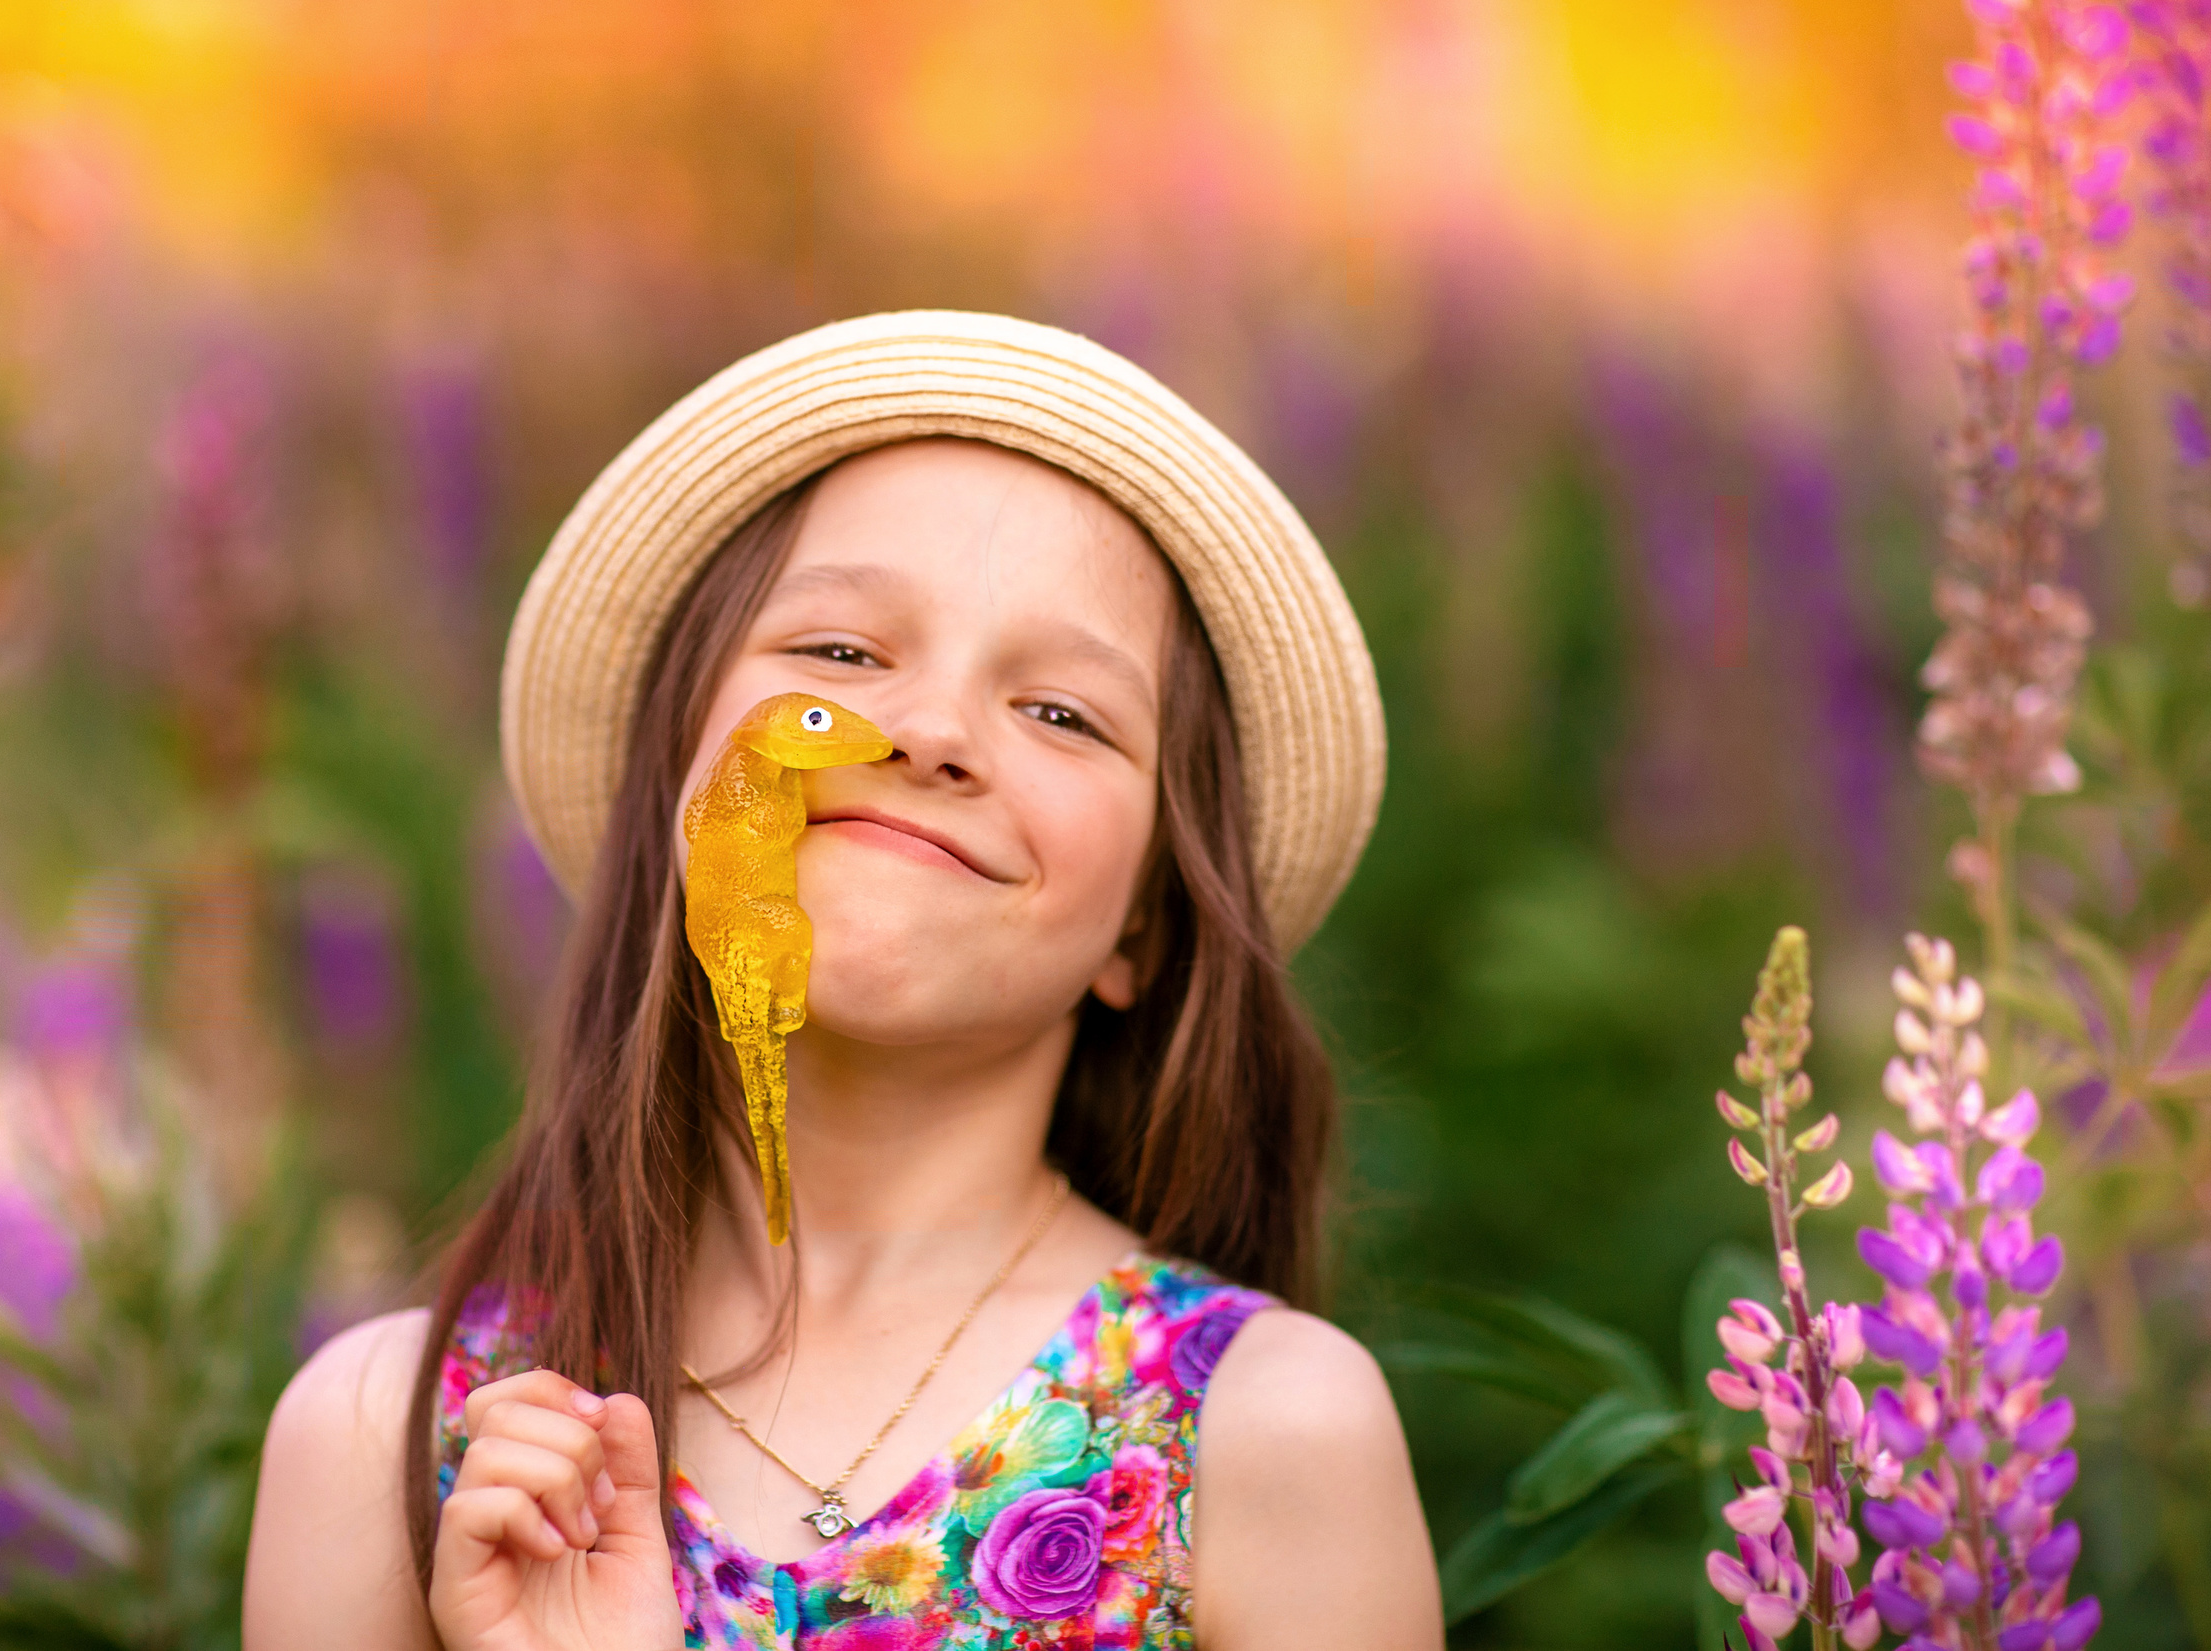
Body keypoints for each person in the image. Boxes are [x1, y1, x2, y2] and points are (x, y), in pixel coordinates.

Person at [244, 313, 1443, 1650]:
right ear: (682, 796)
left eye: (1061, 712)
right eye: (840, 656)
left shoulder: (1259, 1438)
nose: (924, 730)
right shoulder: (398, 1448)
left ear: (1146, 927)